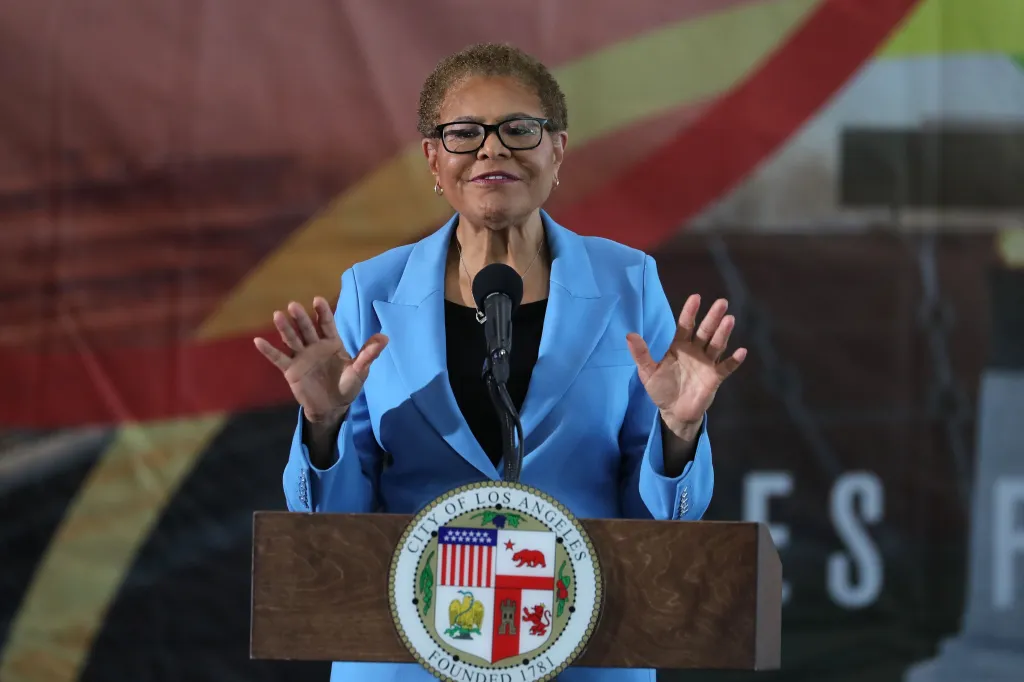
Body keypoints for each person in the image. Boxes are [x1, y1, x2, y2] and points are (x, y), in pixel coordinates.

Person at [254, 42, 747, 682]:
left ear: (557, 150)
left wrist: (678, 431)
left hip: (584, 650)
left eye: (519, 129)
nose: (493, 149)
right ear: (434, 159)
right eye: (465, 133)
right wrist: (323, 427)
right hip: (407, 654)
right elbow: (332, 524)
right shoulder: (371, 290)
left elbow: (662, 523)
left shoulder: (628, 281)